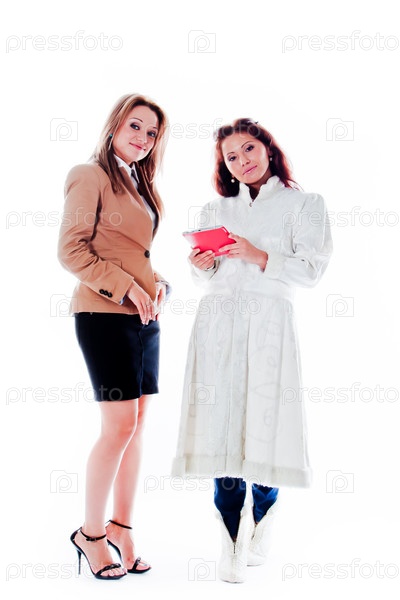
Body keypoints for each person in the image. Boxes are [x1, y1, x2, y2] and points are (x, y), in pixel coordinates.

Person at [172, 118, 333, 583]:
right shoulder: (215, 208)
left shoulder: (305, 205)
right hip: (217, 324)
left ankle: (261, 517)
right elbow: (204, 277)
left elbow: (312, 270)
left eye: (248, 149)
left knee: (266, 425)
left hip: (269, 324)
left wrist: (259, 255)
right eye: (231, 157)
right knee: (220, 428)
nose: (242, 161)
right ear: (224, 165)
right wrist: (201, 264)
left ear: (268, 148)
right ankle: (230, 538)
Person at [58, 93, 170, 580]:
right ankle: (90, 533)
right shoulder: (89, 175)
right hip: (103, 315)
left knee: (138, 425)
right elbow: (71, 250)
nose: (143, 138)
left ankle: (121, 528)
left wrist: (157, 282)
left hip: (143, 317)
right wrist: (127, 287)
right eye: (135, 126)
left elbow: (130, 252)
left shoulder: (139, 182)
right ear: (115, 125)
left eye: (152, 133)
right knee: (118, 427)